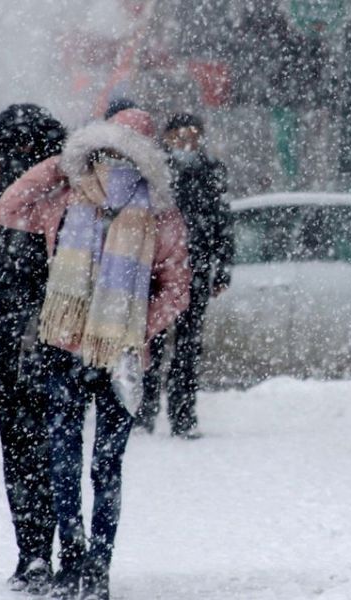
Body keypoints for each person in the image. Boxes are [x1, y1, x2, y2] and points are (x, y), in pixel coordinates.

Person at [0, 108, 191, 599]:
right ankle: (89, 565)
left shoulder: (83, 201)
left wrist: (60, 166)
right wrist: (135, 328)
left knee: (77, 461)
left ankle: (81, 564)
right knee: (95, 464)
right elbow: (177, 290)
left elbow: (8, 207)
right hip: (97, 353)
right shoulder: (95, 202)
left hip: (87, 352)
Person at [0, 104, 66, 593]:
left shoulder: (56, 192)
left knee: (34, 448)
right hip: (14, 334)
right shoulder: (2, 193)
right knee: (26, 448)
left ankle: (41, 550)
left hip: (41, 332)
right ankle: (35, 550)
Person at [134, 112, 232, 437]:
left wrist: (222, 268)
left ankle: (183, 415)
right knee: (152, 342)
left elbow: (222, 221)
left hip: (195, 269)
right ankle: (144, 411)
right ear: (167, 137)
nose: (187, 142)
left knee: (188, 346)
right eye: (180, 135)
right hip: (159, 271)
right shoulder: (154, 170)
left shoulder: (211, 171)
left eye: (193, 135)